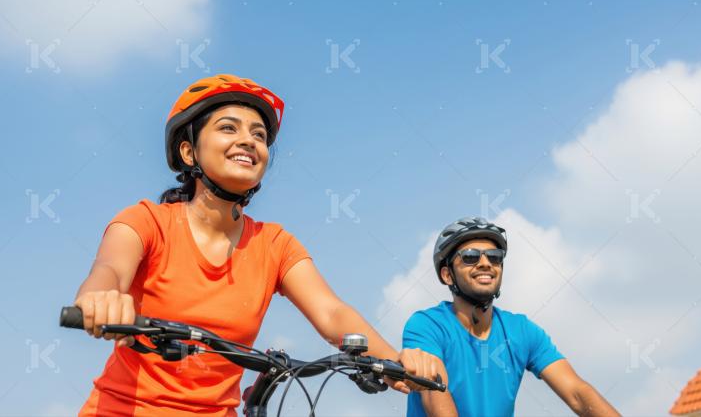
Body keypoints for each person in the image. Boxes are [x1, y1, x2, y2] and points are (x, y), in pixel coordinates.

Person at [73, 74, 443, 415]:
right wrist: (101, 298)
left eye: (259, 135)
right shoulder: (147, 221)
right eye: (227, 128)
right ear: (189, 153)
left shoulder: (274, 244)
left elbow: (332, 314)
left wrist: (395, 362)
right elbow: (109, 270)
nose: (249, 140)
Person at [403, 217, 620, 416]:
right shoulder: (427, 325)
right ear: (447, 274)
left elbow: (577, 394)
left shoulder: (521, 330)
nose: (485, 263)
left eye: (495, 257)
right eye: (470, 256)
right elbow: (434, 389)